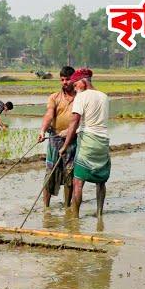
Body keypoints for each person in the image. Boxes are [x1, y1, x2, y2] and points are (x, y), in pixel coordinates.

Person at [59, 68, 110, 220]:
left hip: (88, 141)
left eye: (75, 85)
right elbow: (95, 121)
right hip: (103, 142)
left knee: (78, 182)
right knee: (101, 181)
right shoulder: (104, 96)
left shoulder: (81, 97)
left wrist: (65, 145)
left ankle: (75, 217)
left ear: (82, 82)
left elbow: (75, 122)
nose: (74, 88)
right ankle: (100, 214)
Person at [37, 66, 76, 208]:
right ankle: (45, 208)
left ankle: (67, 206)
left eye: (67, 79)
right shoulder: (54, 97)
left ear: (74, 79)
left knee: (69, 174)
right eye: (62, 80)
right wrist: (42, 130)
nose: (64, 82)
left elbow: (82, 119)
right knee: (50, 172)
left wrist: (70, 131)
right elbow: (49, 114)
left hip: (73, 141)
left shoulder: (80, 98)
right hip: (54, 139)